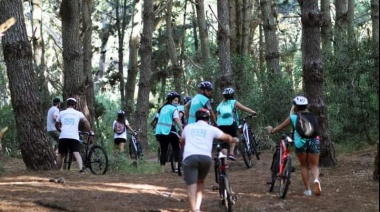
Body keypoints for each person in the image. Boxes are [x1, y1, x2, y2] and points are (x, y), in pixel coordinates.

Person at [180, 108, 238, 212]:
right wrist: (234, 139)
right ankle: (197, 208)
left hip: (190, 158)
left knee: (191, 187)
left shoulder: (188, 127)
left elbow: (182, 139)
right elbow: (227, 137)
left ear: (196, 118)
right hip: (205, 159)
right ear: (208, 119)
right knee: (200, 182)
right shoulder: (211, 128)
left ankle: (194, 210)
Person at [266, 96, 321, 196]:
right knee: (314, 165)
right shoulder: (312, 115)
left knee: (304, 165)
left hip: (301, 143)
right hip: (314, 141)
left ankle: (308, 190)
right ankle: (316, 180)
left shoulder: (293, 117)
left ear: (295, 106)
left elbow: (281, 126)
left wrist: (272, 130)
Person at [216, 87, 257, 161]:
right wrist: (253, 112)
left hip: (220, 124)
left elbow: (218, 115)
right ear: (232, 95)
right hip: (231, 123)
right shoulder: (234, 102)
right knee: (235, 137)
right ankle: (231, 153)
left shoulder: (220, 104)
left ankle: (224, 165)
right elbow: (245, 108)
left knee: (224, 143)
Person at [55, 97, 94, 173]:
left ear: (67, 104)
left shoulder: (62, 113)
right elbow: (85, 121)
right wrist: (89, 131)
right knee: (76, 152)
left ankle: (57, 171)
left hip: (63, 136)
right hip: (74, 137)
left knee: (61, 154)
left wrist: (60, 130)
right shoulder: (78, 113)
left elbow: (56, 124)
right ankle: (81, 170)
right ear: (75, 105)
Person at [155, 91, 184, 172]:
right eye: (175, 100)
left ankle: (162, 170)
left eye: (178, 101)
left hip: (160, 132)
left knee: (163, 150)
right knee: (176, 148)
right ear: (170, 100)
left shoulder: (162, 108)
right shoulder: (173, 109)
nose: (177, 102)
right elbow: (177, 120)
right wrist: (182, 130)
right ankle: (177, 167)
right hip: (170, 130)